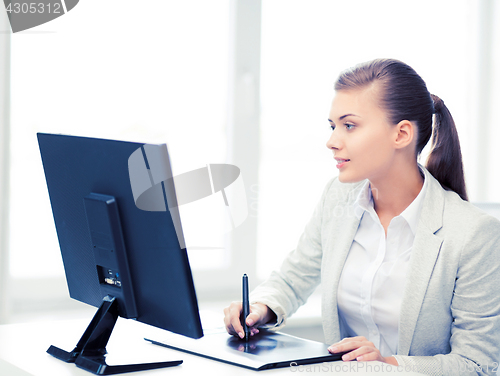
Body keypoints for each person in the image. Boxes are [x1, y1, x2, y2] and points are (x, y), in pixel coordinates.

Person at [223, 58, 500, 375]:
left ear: (401, 134)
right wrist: (261, 308)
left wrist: (389, 364)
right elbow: (293, 277)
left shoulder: (475, 234)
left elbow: (479, 364)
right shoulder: (338, 198)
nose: (332, 141)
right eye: (332, 126)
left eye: (349, 125)